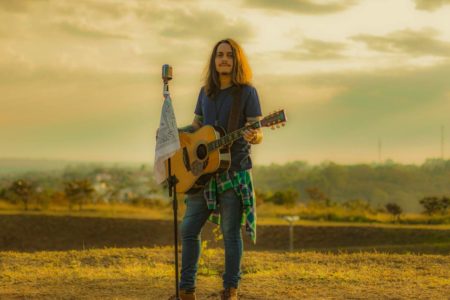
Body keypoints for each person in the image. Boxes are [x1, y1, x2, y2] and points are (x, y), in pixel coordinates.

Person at [176, 38, 263, 300]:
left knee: (229, 233)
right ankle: (187, 289)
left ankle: (230, 289)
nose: (224, 59)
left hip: (232, 171)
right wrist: (174, 134)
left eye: (229, 55)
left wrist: (253, 137)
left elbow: (257, 131)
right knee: (189, 230)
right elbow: (195, 127)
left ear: (237, 61)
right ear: (214, 61)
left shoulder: (247, 92)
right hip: (201, 173)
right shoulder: (206, 92)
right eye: (219, 55)